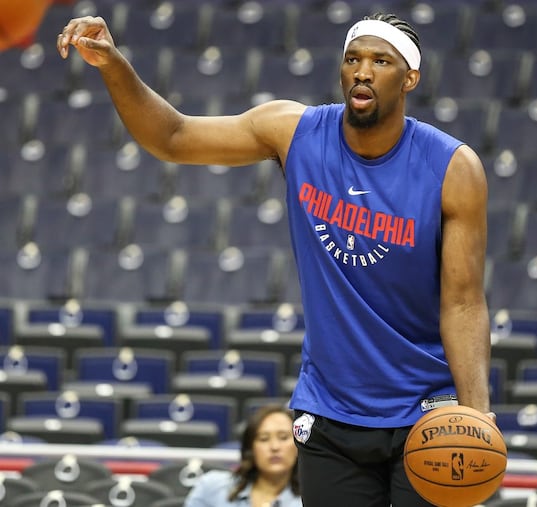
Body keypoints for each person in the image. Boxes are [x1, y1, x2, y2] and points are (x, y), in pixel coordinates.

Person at [58, 11, 493, 506]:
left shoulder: (453, 168)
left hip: (426, 414)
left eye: (380, 61)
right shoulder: (295, 132)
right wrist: (114, 66)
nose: (363, 71)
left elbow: (462, 303)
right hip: (331, 411)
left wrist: (477, 414)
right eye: (353, 59)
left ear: (409, 77)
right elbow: (173, 137)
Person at [184, 404, 301, 507]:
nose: (274, 447)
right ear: (250, 448)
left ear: (298, 446)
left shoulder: (311, 501)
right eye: (264, 439)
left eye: (283, 437)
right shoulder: (211, 488)